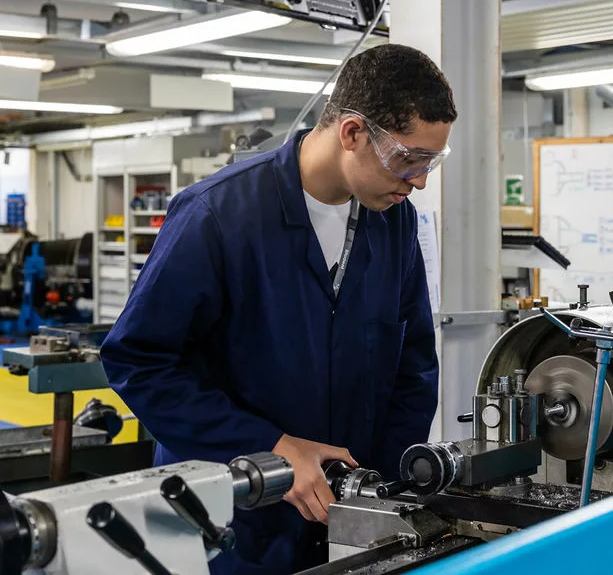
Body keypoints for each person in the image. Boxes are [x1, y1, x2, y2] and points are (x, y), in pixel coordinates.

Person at [100, 43, 458, 574]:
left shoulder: (393, 221)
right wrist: (268, 446)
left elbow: (413, 364)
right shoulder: (216, 216)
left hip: (348, 522)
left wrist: (384, 488)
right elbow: (139, 360)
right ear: (353, 133)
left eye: (431, 161)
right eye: (409, 158)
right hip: (230, 520)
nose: (421, 180)